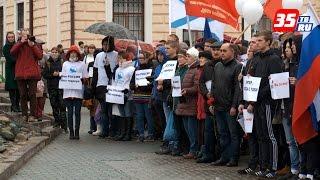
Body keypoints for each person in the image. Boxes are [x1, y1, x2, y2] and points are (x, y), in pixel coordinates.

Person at [250, 31, 283, 178]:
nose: (256, 43)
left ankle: (273, 167)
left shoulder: (274, 59)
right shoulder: (256, 58)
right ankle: (263, 166)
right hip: (257, 101)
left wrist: (259, 94)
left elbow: (274, 82)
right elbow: (252, 78)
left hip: (268, 102)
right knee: (261, 135)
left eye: (259, 41)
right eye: (255, 41)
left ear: (268, 42)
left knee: (270, 136)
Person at [211, 43, 242, 167]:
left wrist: (234, 105)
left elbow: (237, 88)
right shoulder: (217, 65)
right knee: (222, 133)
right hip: (218, 106)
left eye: (224, 51)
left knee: (233, 134)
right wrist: (212, 102)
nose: (221, 53)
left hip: (230, 107)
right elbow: (213, 84)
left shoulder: (237, 66)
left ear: (232, 52)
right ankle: (224, 157)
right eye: (221, 50)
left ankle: (233, 158)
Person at [237, 35, 261, 175]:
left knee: (259, 136)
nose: (251, 46)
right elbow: (245, 87)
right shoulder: (247, 64)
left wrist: (252, 103)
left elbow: (256, 86)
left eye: (254, 42)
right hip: (246, 104)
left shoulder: (257, 62)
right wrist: (242, 102)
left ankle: (259, 163)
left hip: (255, 105)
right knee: (251, 136)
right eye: (251, 43)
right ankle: (252, 164)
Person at [10, 29, 43, 122]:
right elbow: (12, 52)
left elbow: (40, 56)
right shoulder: (18, 44)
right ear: (21, 36)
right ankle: (24, 114)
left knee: (32, 94)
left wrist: (32, 46)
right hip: (21, 73)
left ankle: (32, 115)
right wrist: (21, 42)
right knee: (23, 95)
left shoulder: (34, 44)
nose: (26, 37)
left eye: (27, 35)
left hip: (32, 74)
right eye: (23, 35)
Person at [175, 47, 200, 159]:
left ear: (194, 58)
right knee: (187, 129)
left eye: (188, 56)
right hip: (184, 102)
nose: (186, 58)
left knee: (192, 129)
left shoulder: (195, 70)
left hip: (191, 103)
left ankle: (194, 150)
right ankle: (192, 149)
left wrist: (187, 90)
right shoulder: (189, 69)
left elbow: (196, 87)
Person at [92, 36, 117, 138]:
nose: (105, 46)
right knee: (103, 110)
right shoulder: (99, 56)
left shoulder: (116, 55)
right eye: (104, 44)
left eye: (108, 44)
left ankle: (113, 131)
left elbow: (116, 71)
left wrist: (108, 67)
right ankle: (104, 131)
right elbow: (95, 72)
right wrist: (94, 87)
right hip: (101, 85)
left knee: (111, 110)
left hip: (112, 86)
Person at [62, 45, 89, 140]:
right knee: (69, 113)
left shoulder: (82, 64)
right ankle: (71, 132)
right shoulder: (65, 64)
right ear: (69, 54)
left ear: (77, 54)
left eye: (75, 52)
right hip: (68, 92)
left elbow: (86, 77)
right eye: (71, 52)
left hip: (78, 92)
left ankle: (77, 132)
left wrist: (83, 80)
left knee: (77, 112)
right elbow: (63, 77)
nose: (73, 54)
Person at [131, 52, 155, 142]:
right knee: (139, 116)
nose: (140, 60)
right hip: (137, 96)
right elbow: (132, 82)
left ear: (147, 59)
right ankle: (140, 134)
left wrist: (144, 86)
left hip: (147, 96)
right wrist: (133, 86)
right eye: (139, 58)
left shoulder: (151, 69)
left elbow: (152, 83)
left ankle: (150, 134)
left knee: (148, 116)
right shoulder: (136, 69)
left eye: (142, 58)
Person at [42, 47, 67, 132]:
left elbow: (67, 73)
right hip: (52, 87)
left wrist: (60, 74)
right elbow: (44, 74)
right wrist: (53, 74)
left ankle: (64, 125)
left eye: (56, 52)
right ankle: (57, 122)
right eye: (52, 52)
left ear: (58, 53)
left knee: (62, 106)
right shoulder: (48, 62)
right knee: (54, 105)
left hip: (61, 87)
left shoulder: (62, 62)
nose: (54, 53)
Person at [3, 32, 20, 112]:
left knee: (18, 89)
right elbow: (10, 58)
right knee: (12, 89)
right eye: (9, 37)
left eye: (12, 37)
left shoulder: (17, 45)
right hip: (10, 70)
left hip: (18, 69)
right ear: (7, 38)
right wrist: (19, 60)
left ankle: (17, 105)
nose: (11, 38)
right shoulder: (5, 47)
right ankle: (13, 106)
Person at [83, 44, 98, 134]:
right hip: (90, 84)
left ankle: (96, 127)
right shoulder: (87, 59)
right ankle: (92, 127)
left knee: (96, 107)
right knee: (92, 106)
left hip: (97, 86)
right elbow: (86, 72)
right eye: (90, 48)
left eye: (93, 48)